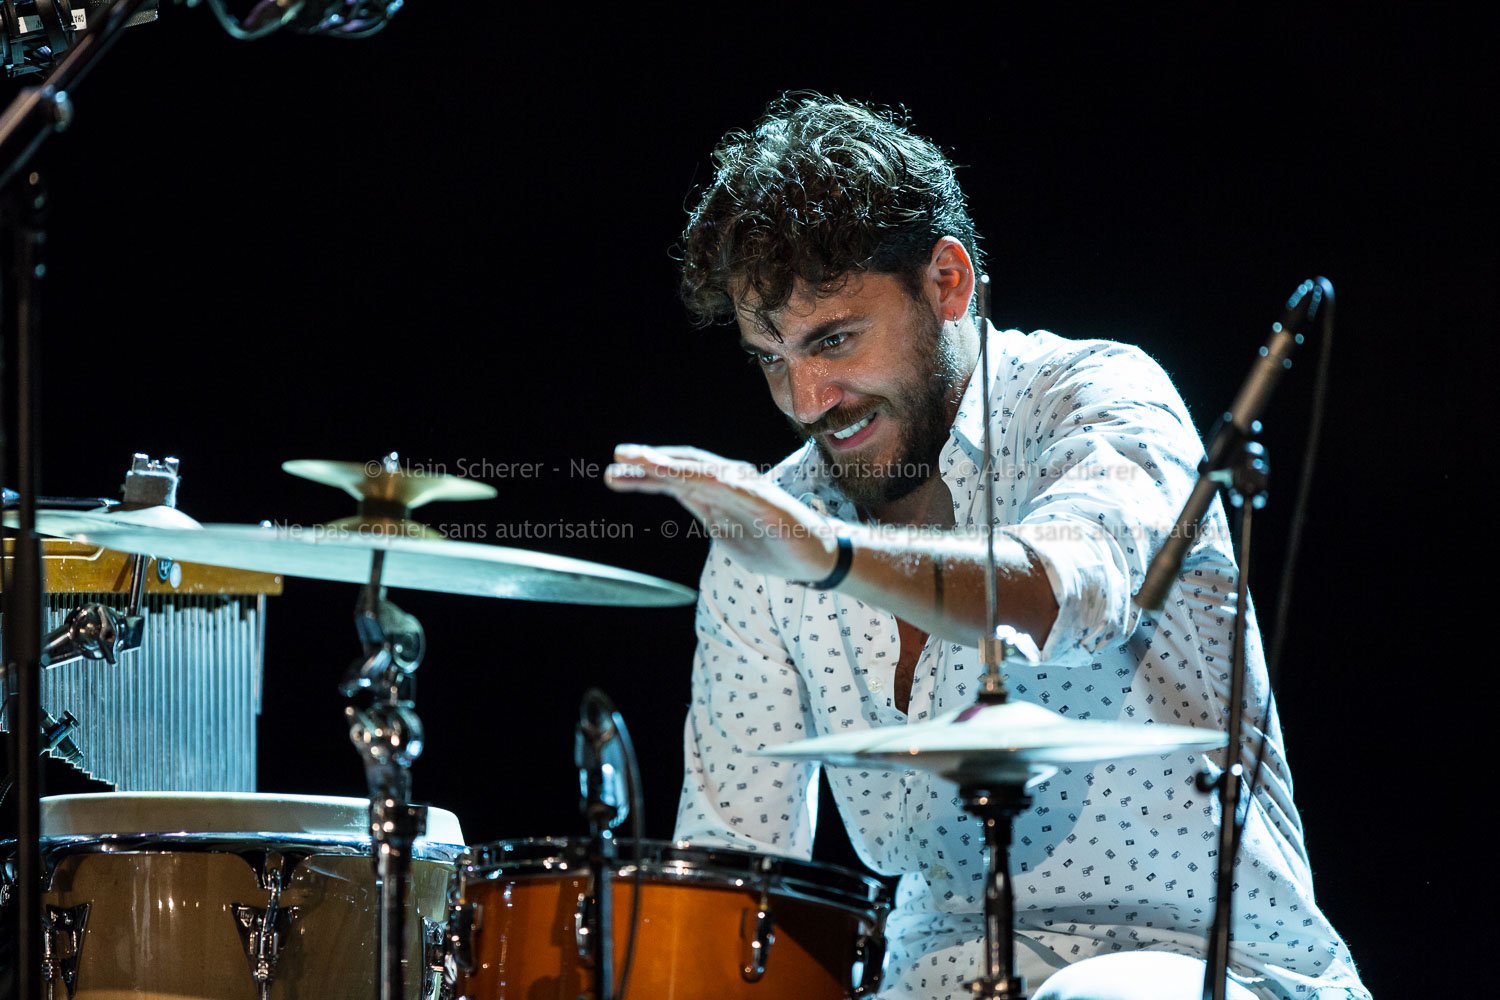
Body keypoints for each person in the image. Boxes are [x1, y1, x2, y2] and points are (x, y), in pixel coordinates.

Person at [605, 93, 1368, 1000]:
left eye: (834, 341)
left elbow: (1065, 591)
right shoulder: (770, 534)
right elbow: (733, 868)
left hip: (1201, 967)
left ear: (947, 283)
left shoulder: (1097, 397)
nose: (807, 400)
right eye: (772, 358)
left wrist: (831, 556)